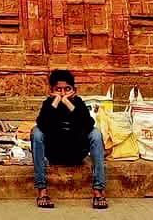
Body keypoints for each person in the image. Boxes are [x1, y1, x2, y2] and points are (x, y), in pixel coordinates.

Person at [31, 68, 106, 209]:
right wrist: (56, 102)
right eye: (58, 89)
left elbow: (89, 124)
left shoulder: (78, 103)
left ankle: (98, 191)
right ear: (51, 90)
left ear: (74, 90)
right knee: (36, 132)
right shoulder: (48, 104)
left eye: (67, 89)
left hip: (76, 153)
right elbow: (42, 124)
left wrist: (67, 103)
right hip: (54, 154)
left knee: (96, 134)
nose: (63, 92)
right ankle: (42, 191)